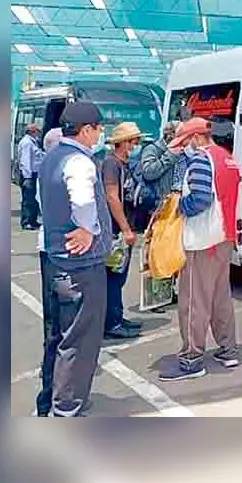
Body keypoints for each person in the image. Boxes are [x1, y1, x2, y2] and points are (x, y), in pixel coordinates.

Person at [39, 101, 113, 417]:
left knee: (58, 335)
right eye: (98, 128)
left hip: (56, 259)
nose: (100, 134)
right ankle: (67, 408)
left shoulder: (51, 156)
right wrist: (88, 228)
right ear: (86, 130)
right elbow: (83, 200)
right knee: (80, 341)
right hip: (81, 266)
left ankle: (49, 403)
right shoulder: (80, 162)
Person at [158, 117, 242, 381]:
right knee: (220, 298)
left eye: (185, 142)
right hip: (224, 236)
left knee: (194, 301)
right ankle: (228, 350)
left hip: (202, 240)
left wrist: (179, 205)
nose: (183, 148)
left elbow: (201, 199)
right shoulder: (226, 157)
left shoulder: (199, 159)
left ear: (196, 138)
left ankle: (191, 360)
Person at [102, 122, 145, 340]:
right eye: (134, 141)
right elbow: (112, 196)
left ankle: (117, 317)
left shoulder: (123, 164)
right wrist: (126, 229)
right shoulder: (111, 164)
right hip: (114, 230)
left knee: (118, 278)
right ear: (123, 143)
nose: (137, 145)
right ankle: (112, 323)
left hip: (122, 227)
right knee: (113, 276)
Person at [36, 127, 65, 417]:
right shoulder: (52, 172)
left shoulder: (49, 169)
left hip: (55, 251)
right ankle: (48, 397)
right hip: (55, 253)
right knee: (55, 326)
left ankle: (53, 392)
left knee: (57, 326)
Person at [139, 120, 182, 210]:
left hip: (176, 205)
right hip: (157, 206)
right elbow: (148, 173)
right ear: (171, 135)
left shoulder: (182, 151)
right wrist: (169, 156)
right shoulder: (152, 149)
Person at [17, 122, 44, 229]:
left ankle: (33, 220)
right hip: (29, 175)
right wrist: (27, 177)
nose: (39, 133)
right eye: (38, 131)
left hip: (33, 174)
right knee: (28, 200)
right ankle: (27, 222)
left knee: (33, 199)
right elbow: (25, 160)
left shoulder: (32, 142)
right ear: (32, 131)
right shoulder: (27, 143)